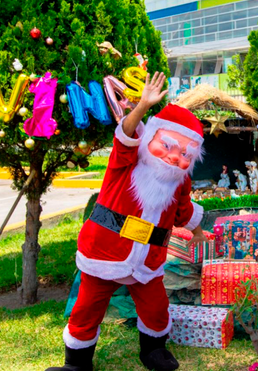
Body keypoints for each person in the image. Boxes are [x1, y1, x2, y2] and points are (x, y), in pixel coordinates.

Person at [47, 72, 208, 371]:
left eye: (185, 154)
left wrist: (197, 231)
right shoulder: (127, 161)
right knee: (87, 309)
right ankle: (77, 363)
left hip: (147, 262)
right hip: (104, 253)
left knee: (157, 309)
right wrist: (143, 106)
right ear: (152, 138)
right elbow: (126, 133)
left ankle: (153, 351)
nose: (175, 158)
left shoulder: (179, 183)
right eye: (168, 146)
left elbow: (184, 211)